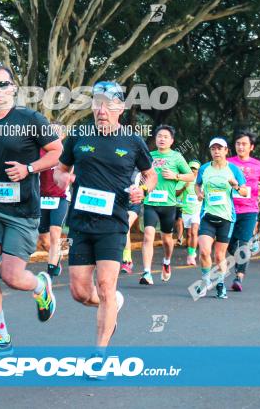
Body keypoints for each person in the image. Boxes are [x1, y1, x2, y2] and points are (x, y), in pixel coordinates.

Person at [0, 65, 63, 358]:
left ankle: (41, 285)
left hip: (23, 210)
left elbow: (57, 151)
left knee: (13, 277)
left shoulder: (30, 119)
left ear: (13, 88)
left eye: (3, 84)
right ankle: (1, 338)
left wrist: (29, 168)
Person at [53, 82, 156, 372]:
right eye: (97, 103)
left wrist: (143, 192)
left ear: (120, 109)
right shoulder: (79, 137)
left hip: (114, 222)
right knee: (79, 292)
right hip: (81, 222)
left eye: (108, 104)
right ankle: (112, 304)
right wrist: (64, 180)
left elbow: (150, 175)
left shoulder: (132, 141)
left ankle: (99, 355)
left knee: (106, 285)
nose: (101, 110)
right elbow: (60, 170)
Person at [194, 138, 249, 299]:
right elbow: (197, 184)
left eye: (220, 148)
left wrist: (236, 186)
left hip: (226, 217)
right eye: (213, 149)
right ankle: (205, 282)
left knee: (219, 256)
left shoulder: (233, 169)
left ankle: (219, 284)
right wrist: (199, 193)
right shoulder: (204, 168)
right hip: (207, 216)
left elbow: (245, 192)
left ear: (226, 151)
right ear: (210, 151)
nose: (216, 151)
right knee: (204, 252)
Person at [140, 125, 194, 285]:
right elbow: (142, 175)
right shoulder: (149, 156)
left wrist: (175, 175)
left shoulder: (176, 157)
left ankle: (167, 261)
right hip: (150, 202)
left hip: (169, 205)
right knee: (148, 235)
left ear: (171, 140)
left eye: (165, 136)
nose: (162, 139)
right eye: (159, 136)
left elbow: (191, 176)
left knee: (166, 240)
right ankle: (147, 273)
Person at [226, 131, 260, 292]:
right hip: (228, 209)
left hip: (249, 209)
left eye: (244, 144)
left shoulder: (259, 165)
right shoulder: (228, 163)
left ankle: (239, 277)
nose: (241, 147)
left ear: (251, 147)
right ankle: (241, 256)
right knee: (229, 244)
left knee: (244, 242)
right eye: (238, 144)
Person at [38, 125, 70, 278]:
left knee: (55, 232)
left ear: (63, 135)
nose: (54, 133)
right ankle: (57, 255)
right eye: (51, 130)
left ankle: (51, 268)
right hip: (42, 198)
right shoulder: (41, 152)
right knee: (44, 240)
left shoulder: (67, 153)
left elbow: (73, 173)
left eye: (57, 131)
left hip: (61, 198)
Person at [177, 160, 202, 266]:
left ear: (198, 170)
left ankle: (191, 256)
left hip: (197, 210)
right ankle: (191, 251)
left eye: (195, 169)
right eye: (191, 168)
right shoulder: (184, 179)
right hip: (186, 210)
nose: (193, 170)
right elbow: (176, 193)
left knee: (194, 232)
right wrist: (184, 187)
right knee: (188, 234)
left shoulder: (201, 181)